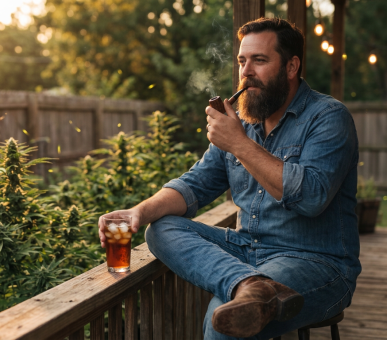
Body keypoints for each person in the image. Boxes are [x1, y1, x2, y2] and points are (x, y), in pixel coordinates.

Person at [98, 17, 361, 339]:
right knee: (162, 227)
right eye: (241, 61)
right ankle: (249, 285)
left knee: (223, 324)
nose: (246, 71)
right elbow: (194, 185)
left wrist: (237, 143)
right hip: (247, 251)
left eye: (259, 60)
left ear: (291, 67)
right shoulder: (244, 124)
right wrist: (138, 211)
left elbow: (311, 198)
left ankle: (249, 289)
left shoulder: (328, 117)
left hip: (316, 262)